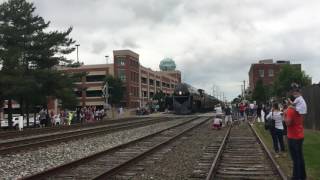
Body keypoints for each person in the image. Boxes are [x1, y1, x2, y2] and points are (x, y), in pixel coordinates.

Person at [285, 91, 307, 180]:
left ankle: (296, 177)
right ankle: (302, 175)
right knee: (300, 157)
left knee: (295, 159)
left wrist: (285, 115)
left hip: (293, 136)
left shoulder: (290, 110)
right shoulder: (299, 110)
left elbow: (288, 123)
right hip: (300, 135)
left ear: (290, 100)